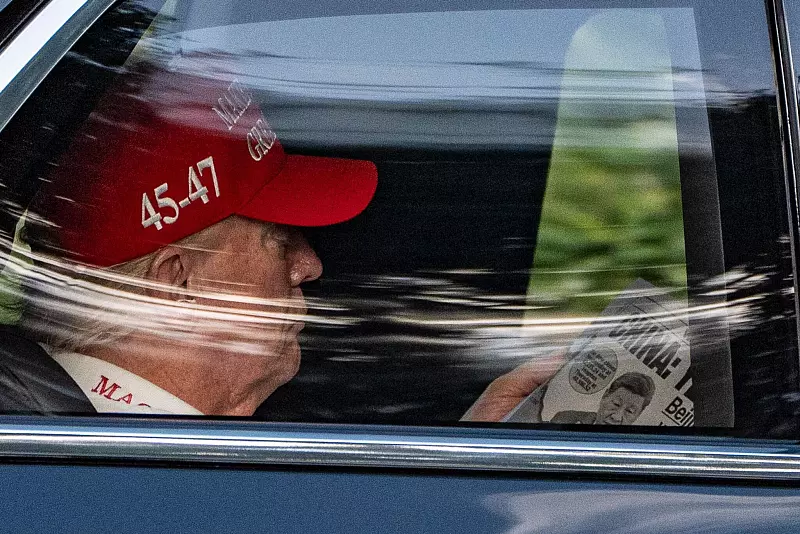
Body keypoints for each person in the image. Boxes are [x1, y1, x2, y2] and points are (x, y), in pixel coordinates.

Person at [1, 68, 379, 416]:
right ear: (177, 283)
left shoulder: (65, 432)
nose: (310, 265)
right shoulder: (126, 461)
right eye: (279, 242)